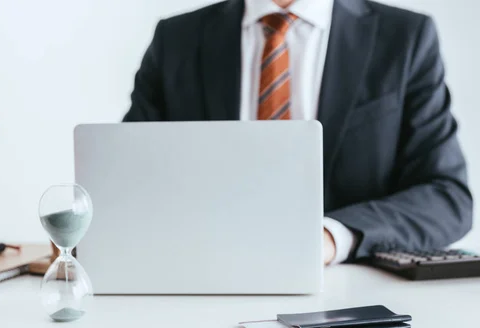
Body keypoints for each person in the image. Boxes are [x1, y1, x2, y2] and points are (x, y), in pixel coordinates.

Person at [123, 0, 473, 265]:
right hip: (199, 283)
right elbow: (127, 180)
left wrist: (331, 236)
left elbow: (446, 197)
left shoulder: (404, 38)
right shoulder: (177, 40)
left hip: (349, 299)